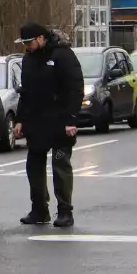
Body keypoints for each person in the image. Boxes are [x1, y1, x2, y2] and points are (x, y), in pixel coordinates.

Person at [13, 22, 84, 228]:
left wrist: (71, 119)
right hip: (36, 121)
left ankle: (64, 211)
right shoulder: (28, 60)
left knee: (60, 166)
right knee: (33, 166)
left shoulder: (63, 55)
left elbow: (75, 88)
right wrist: (20, 119)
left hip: (61, 121)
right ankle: (39, 209)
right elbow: (26, 92)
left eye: (29, 41)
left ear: (41, 38)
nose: (26, 46)